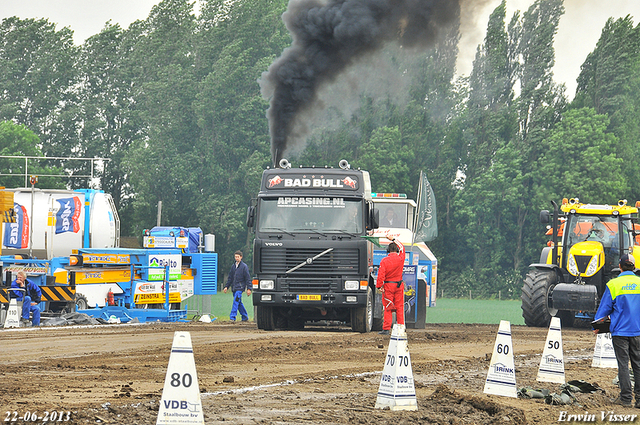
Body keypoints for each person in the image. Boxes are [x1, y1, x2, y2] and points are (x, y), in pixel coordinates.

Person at [593, 254, 640, 407]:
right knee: (638, 365)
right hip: (638, 331)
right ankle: (639, 400)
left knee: (623, 365)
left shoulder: (613, 284)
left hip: (620, 332)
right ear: (634, 267)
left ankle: (626, 399)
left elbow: (604, 308)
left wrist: (597, 326)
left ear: (620, 267)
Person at [376, 235, 405, 335]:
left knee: (388, 307)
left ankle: (386, 329)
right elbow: (402, 247)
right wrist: (393, 239)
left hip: (388, 286)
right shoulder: (401, 258)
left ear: (388, 250)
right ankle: (401, 327)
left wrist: (379, 286)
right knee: (399, 307)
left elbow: (381, 275)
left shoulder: (384, 261)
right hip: (399, 286)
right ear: (396, 250)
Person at [223, 250, 252, 322]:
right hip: (234, 288)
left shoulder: (244, 267)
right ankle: (245, 317)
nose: (236, 258)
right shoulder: (233, 267)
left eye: (238, 257)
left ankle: (232, 317)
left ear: (241, 257)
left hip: (240, 288)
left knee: (235, 301)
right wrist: (226, 286)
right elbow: (230, 278)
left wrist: (249, 289)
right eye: (235, 257)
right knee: (239, 303)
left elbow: (248, 278)